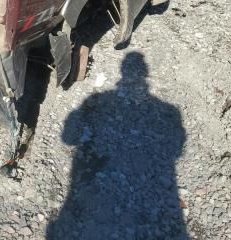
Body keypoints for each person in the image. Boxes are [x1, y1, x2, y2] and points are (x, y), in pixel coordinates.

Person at [47, 52, 188, 239]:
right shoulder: (168, 110)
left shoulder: (100, 98)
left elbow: (68, 138)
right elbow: (177, 149)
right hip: (152, 193)